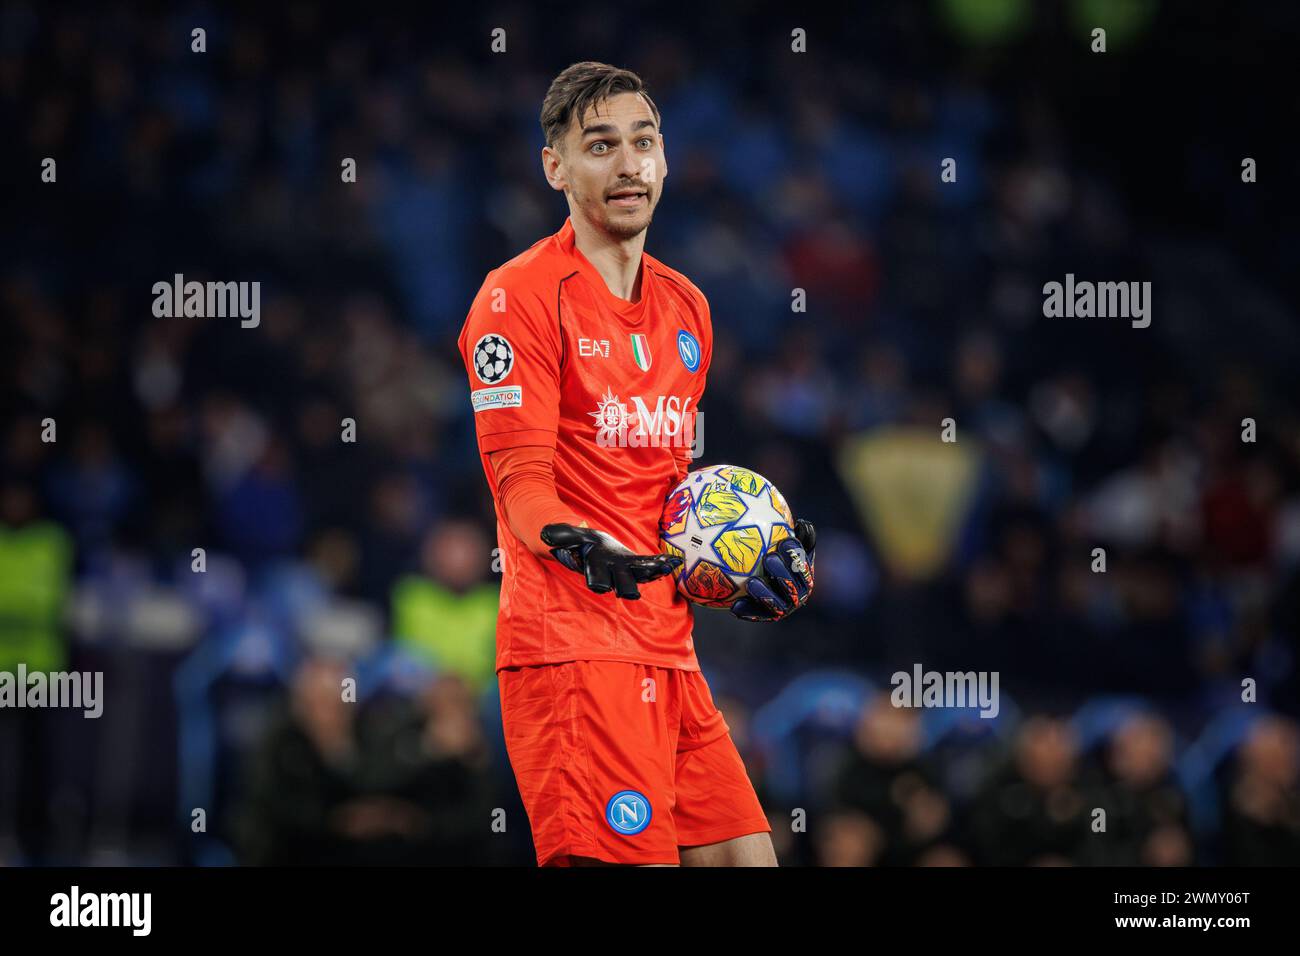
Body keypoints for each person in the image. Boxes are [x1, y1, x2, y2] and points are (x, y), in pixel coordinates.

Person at [457, 62, 815, 866]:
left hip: (668, 647)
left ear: (664, 159)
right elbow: (520, 486)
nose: (628, 165)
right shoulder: (515, 299)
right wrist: (578, 541)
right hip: (572, 650)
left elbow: (668, 491)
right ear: (555, 167)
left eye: (643, 143)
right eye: (600, 145)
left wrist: (748, 556)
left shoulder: (689, 308)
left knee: (747, 858)